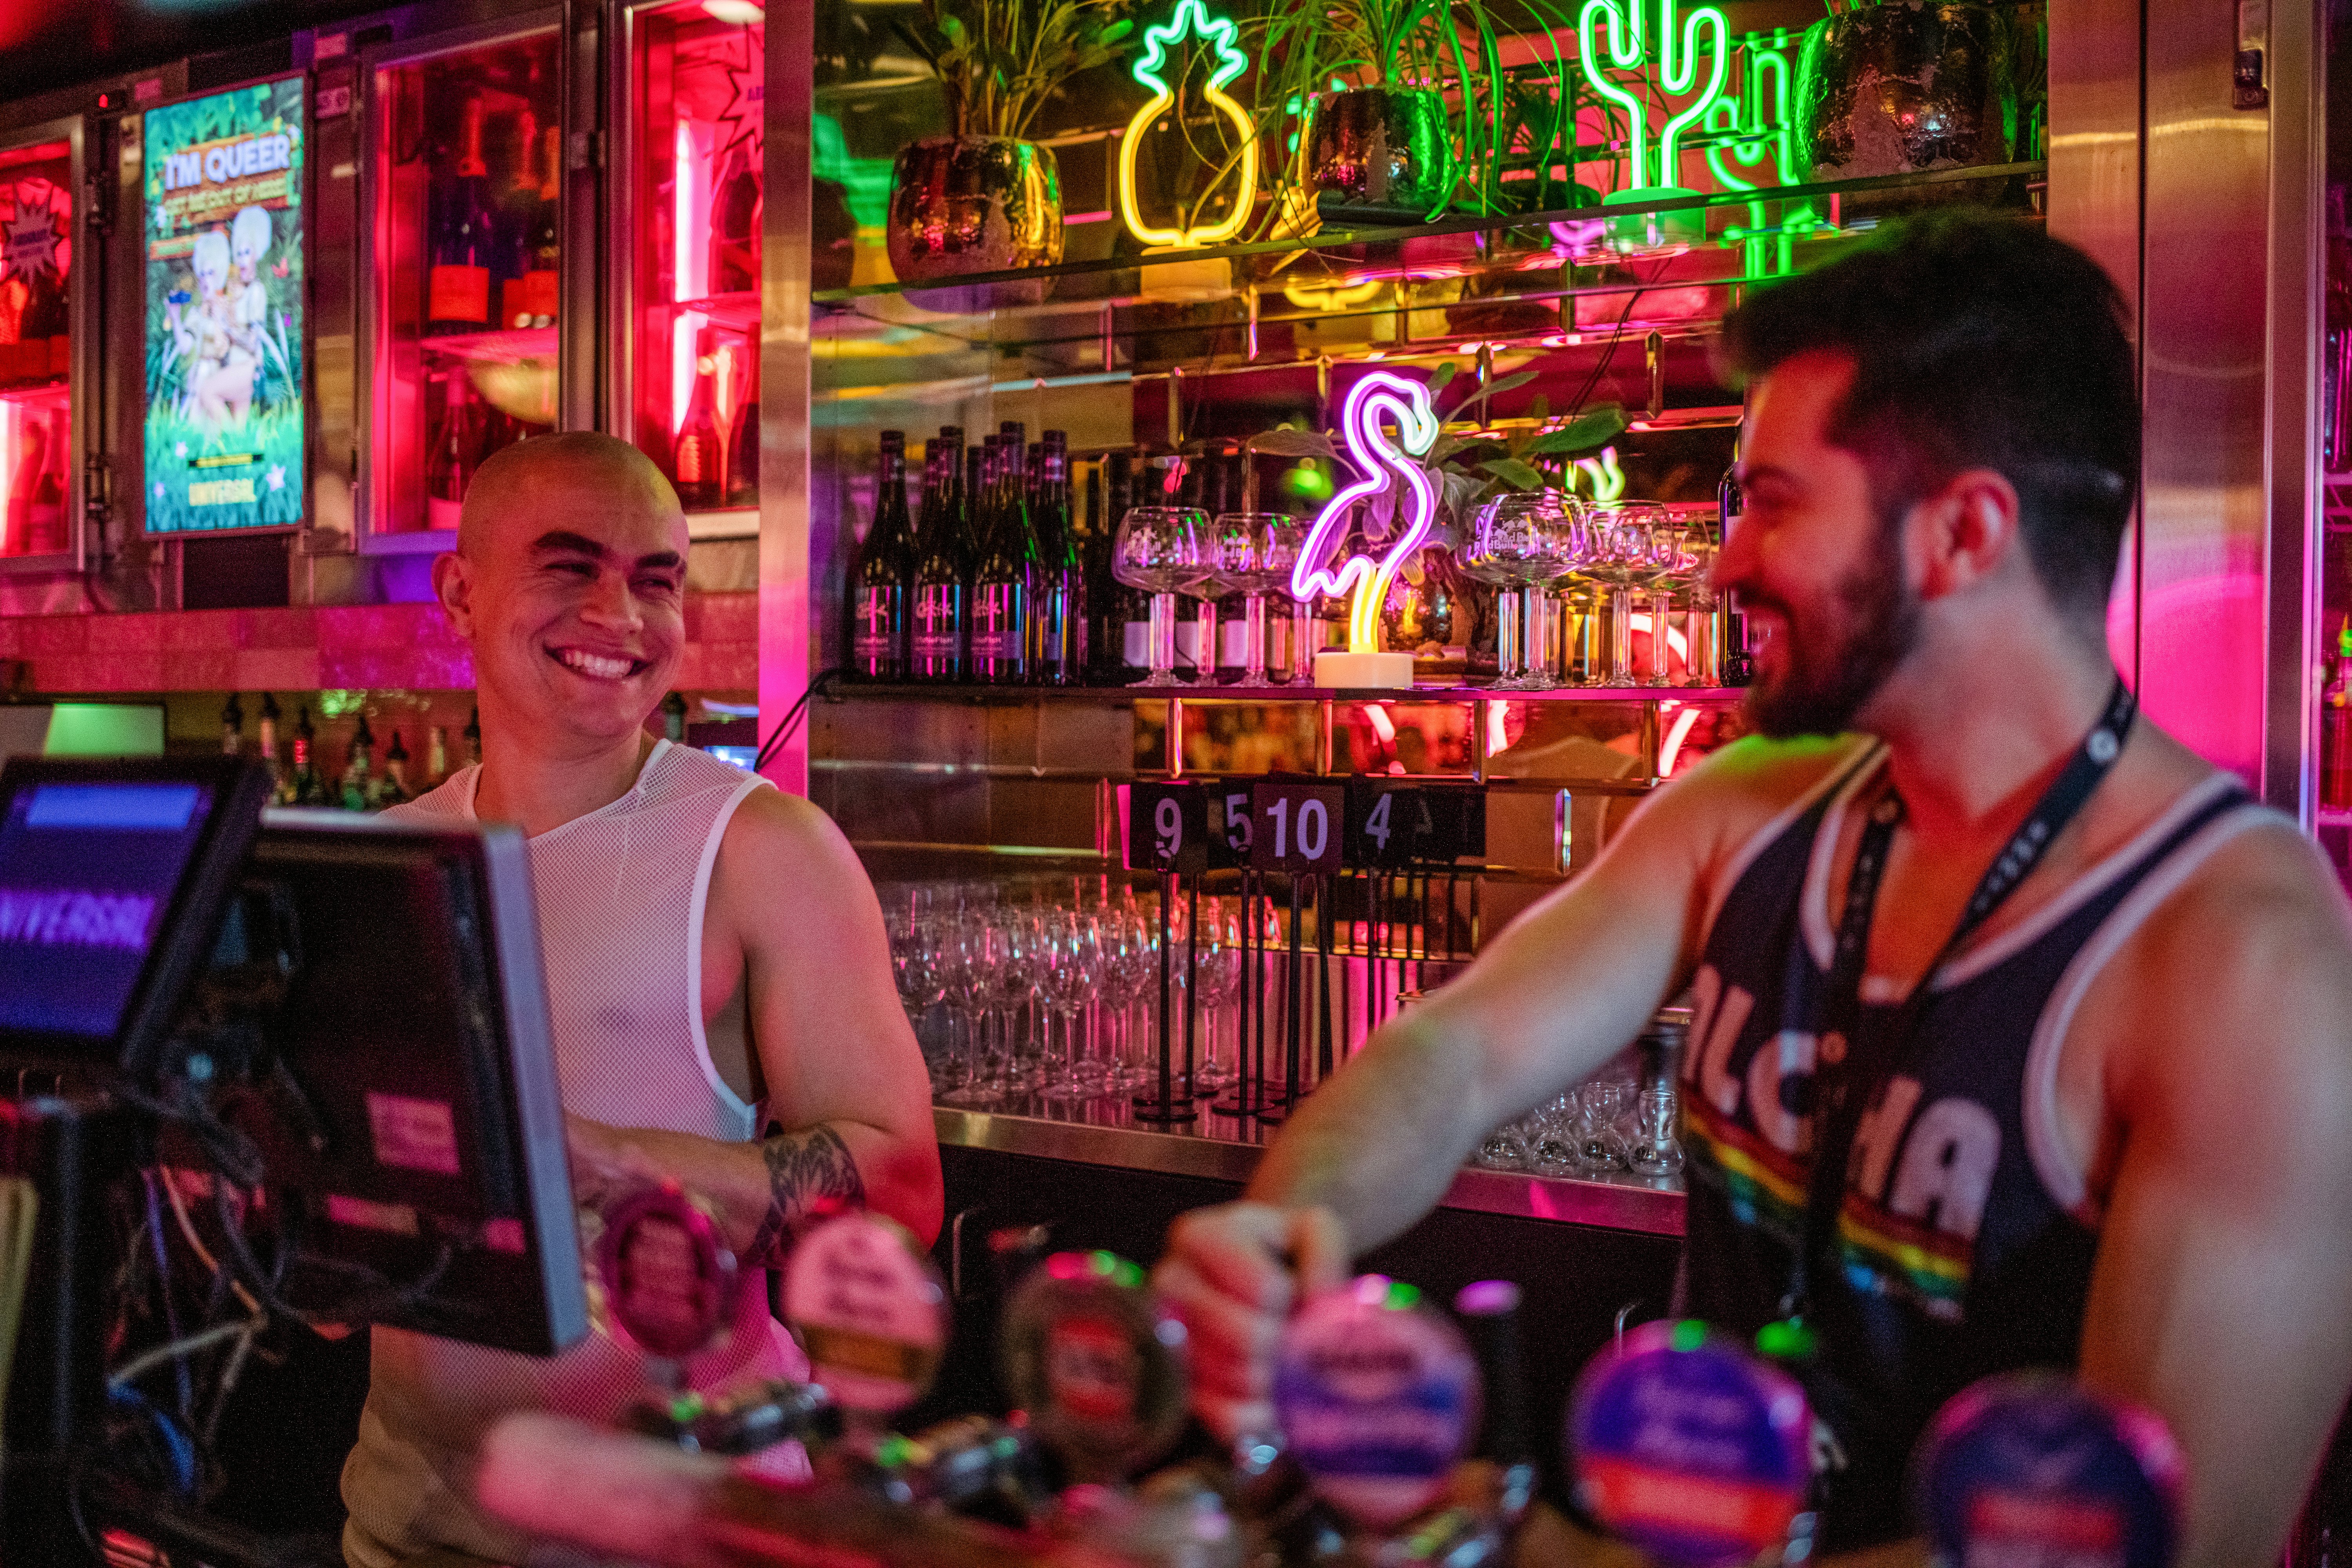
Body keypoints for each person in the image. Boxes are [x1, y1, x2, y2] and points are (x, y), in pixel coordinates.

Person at [1156, 212, 2352, 1565]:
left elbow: (2160, 1544)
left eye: (1774, 504)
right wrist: (1283, 1227)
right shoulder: (1754, 813)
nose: (1726, 562)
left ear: (1963, 535)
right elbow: (1456, 1053)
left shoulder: (2240, 957)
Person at [341, 431, 943, 1568]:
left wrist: (590, 1164)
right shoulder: (382, 862)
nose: (620, 614)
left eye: (655, 578)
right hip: (411, 1526)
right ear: (461, 593)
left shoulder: (762, 849)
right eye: (571, 567)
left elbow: (898, 1194)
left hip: (689, 1532)